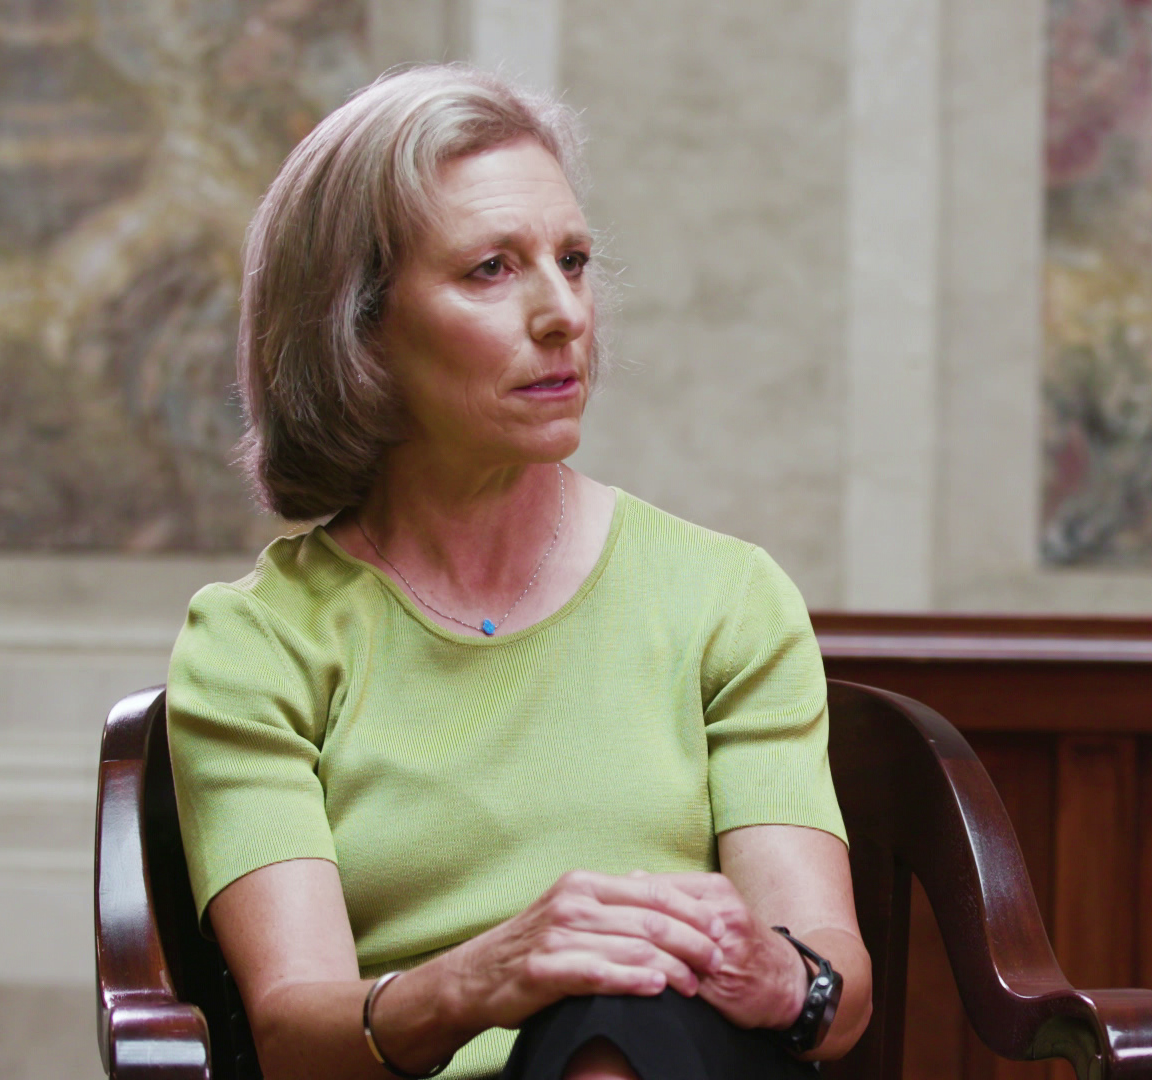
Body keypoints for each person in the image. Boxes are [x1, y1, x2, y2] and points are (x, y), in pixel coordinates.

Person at [164, 64, 871, 1080]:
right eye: (492, 269)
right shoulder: (258, 644)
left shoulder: (726, 596)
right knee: (595, 1004)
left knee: (628, 1011)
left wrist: (778, 977)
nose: (563, 315)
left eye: (573, 261)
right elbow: (292, 1032)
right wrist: (486, 977)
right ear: (358, 327)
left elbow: (833, 991)